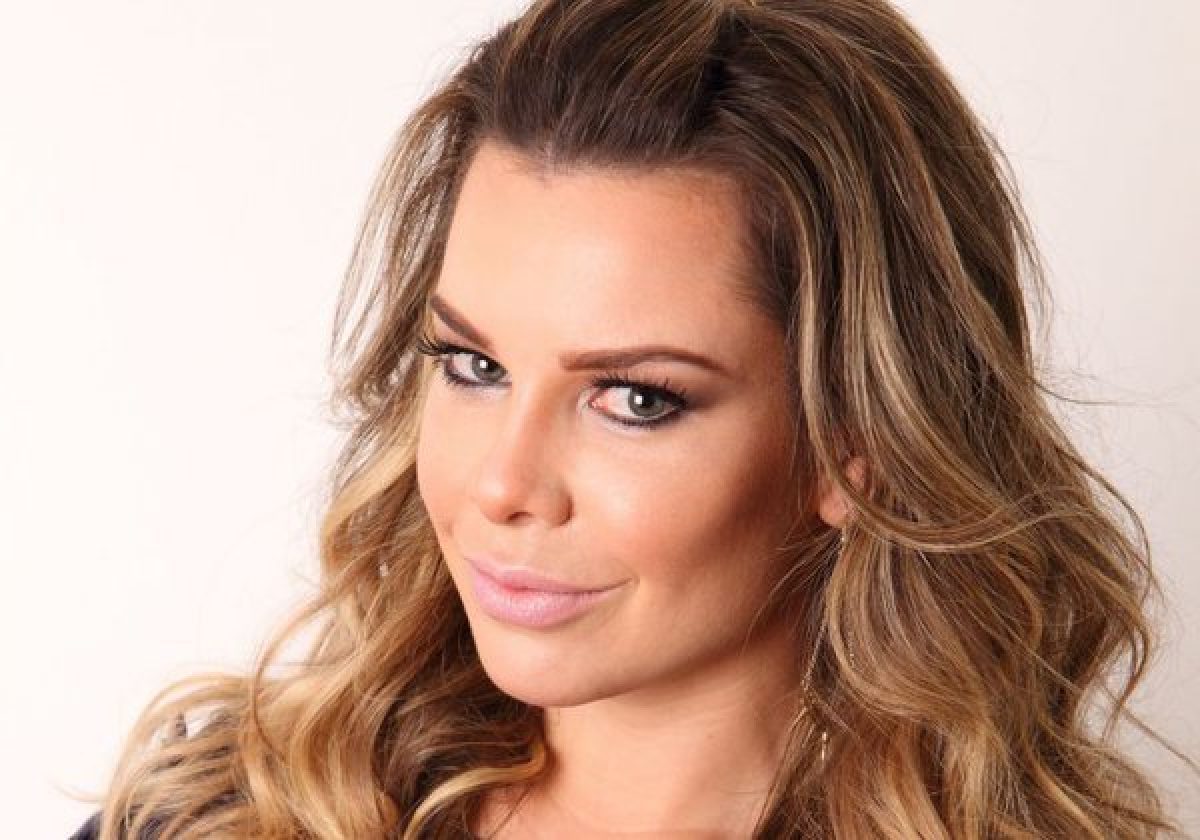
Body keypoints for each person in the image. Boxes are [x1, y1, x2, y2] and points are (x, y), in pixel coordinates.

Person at [69, 0, 1196, 837]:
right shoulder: (221, 817)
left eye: (635, 399)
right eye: (472, 365)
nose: (501, 484)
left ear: (855, 443)